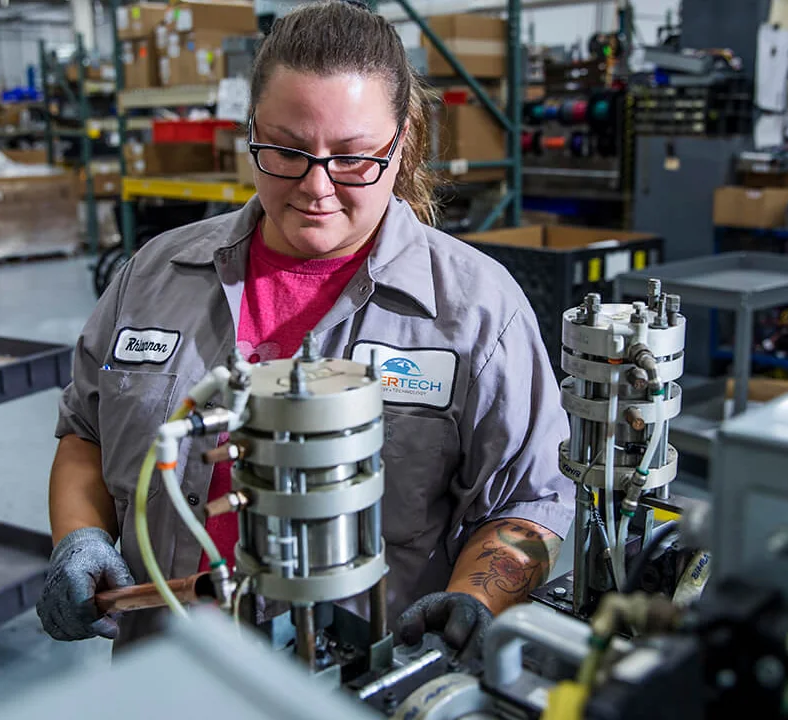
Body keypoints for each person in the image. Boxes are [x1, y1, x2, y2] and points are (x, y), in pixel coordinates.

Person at [38, 0, 573, 657]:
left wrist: (475, 600)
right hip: (168, 665)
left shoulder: (476, 309)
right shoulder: (153, 275)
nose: (317, 188)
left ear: (402, 140)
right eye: (286, 151)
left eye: (353, 158)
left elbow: (531, 501)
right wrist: (79, 536)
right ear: (251, 131)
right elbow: (85, 433)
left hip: (365, 677)